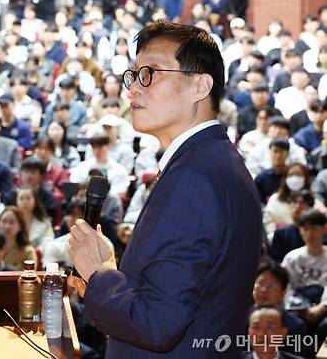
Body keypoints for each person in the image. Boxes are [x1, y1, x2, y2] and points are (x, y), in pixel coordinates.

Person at [68, 22, 261, 357]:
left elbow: (158, 323)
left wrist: (98, 276)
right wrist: (112, 272)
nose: (134, 90)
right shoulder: (210, 161)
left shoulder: (195, 177)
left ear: (200, 85)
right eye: (133, 75)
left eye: (151, 72)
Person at [281, 210, 327, 355]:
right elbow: (286, 287)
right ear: (300, 230)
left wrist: (322, 307)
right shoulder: (292, 258)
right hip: (297, 305)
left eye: (314, 228)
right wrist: (301, 309)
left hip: (323, 304)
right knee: (293, 324)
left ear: (324, 229)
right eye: (305, 228)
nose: (310, 233)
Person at [268, 191, 321, 262]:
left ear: (310, 208)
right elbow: (275, 261)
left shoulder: (319, 231)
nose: (297, 206)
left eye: (302, 204)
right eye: (294, 203)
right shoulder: (281, 233)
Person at [263, 163, 311, 235]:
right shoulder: (274, 199)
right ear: (285, 178)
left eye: (298, 175)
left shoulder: (313, 199)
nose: (295, 178)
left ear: (305, 179)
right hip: (280, 239)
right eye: (291, 175)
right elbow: (268, 223)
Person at [254, 137, 290, 204]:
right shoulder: (261, 177)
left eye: (282, 151)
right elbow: (258, 201)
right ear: (269, 152)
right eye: (275, 151)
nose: (278, 155)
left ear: (287, 154)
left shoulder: (292, 174)